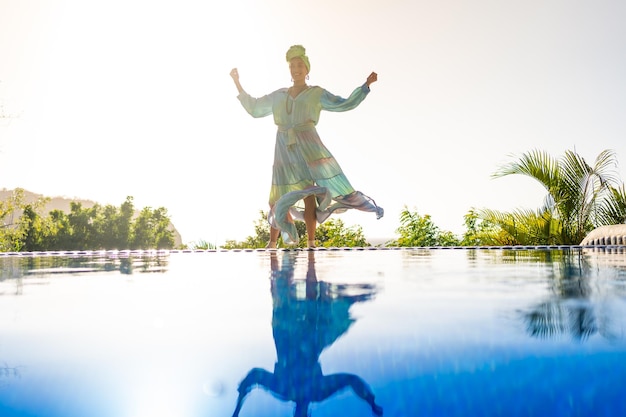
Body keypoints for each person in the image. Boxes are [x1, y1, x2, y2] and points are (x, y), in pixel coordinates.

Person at [230, 45, 383, 248]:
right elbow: (255, 108)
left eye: (300, 65)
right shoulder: (279, 95)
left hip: (307, 147)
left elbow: (343, 104)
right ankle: (273, 242)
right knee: (276, 197)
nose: (296, 69)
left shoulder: (316, 94)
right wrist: (237, 82)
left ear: (307, 69)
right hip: (283, 148)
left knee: (309, 194)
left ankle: (311, 242)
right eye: (292, 65)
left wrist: (365, 86)